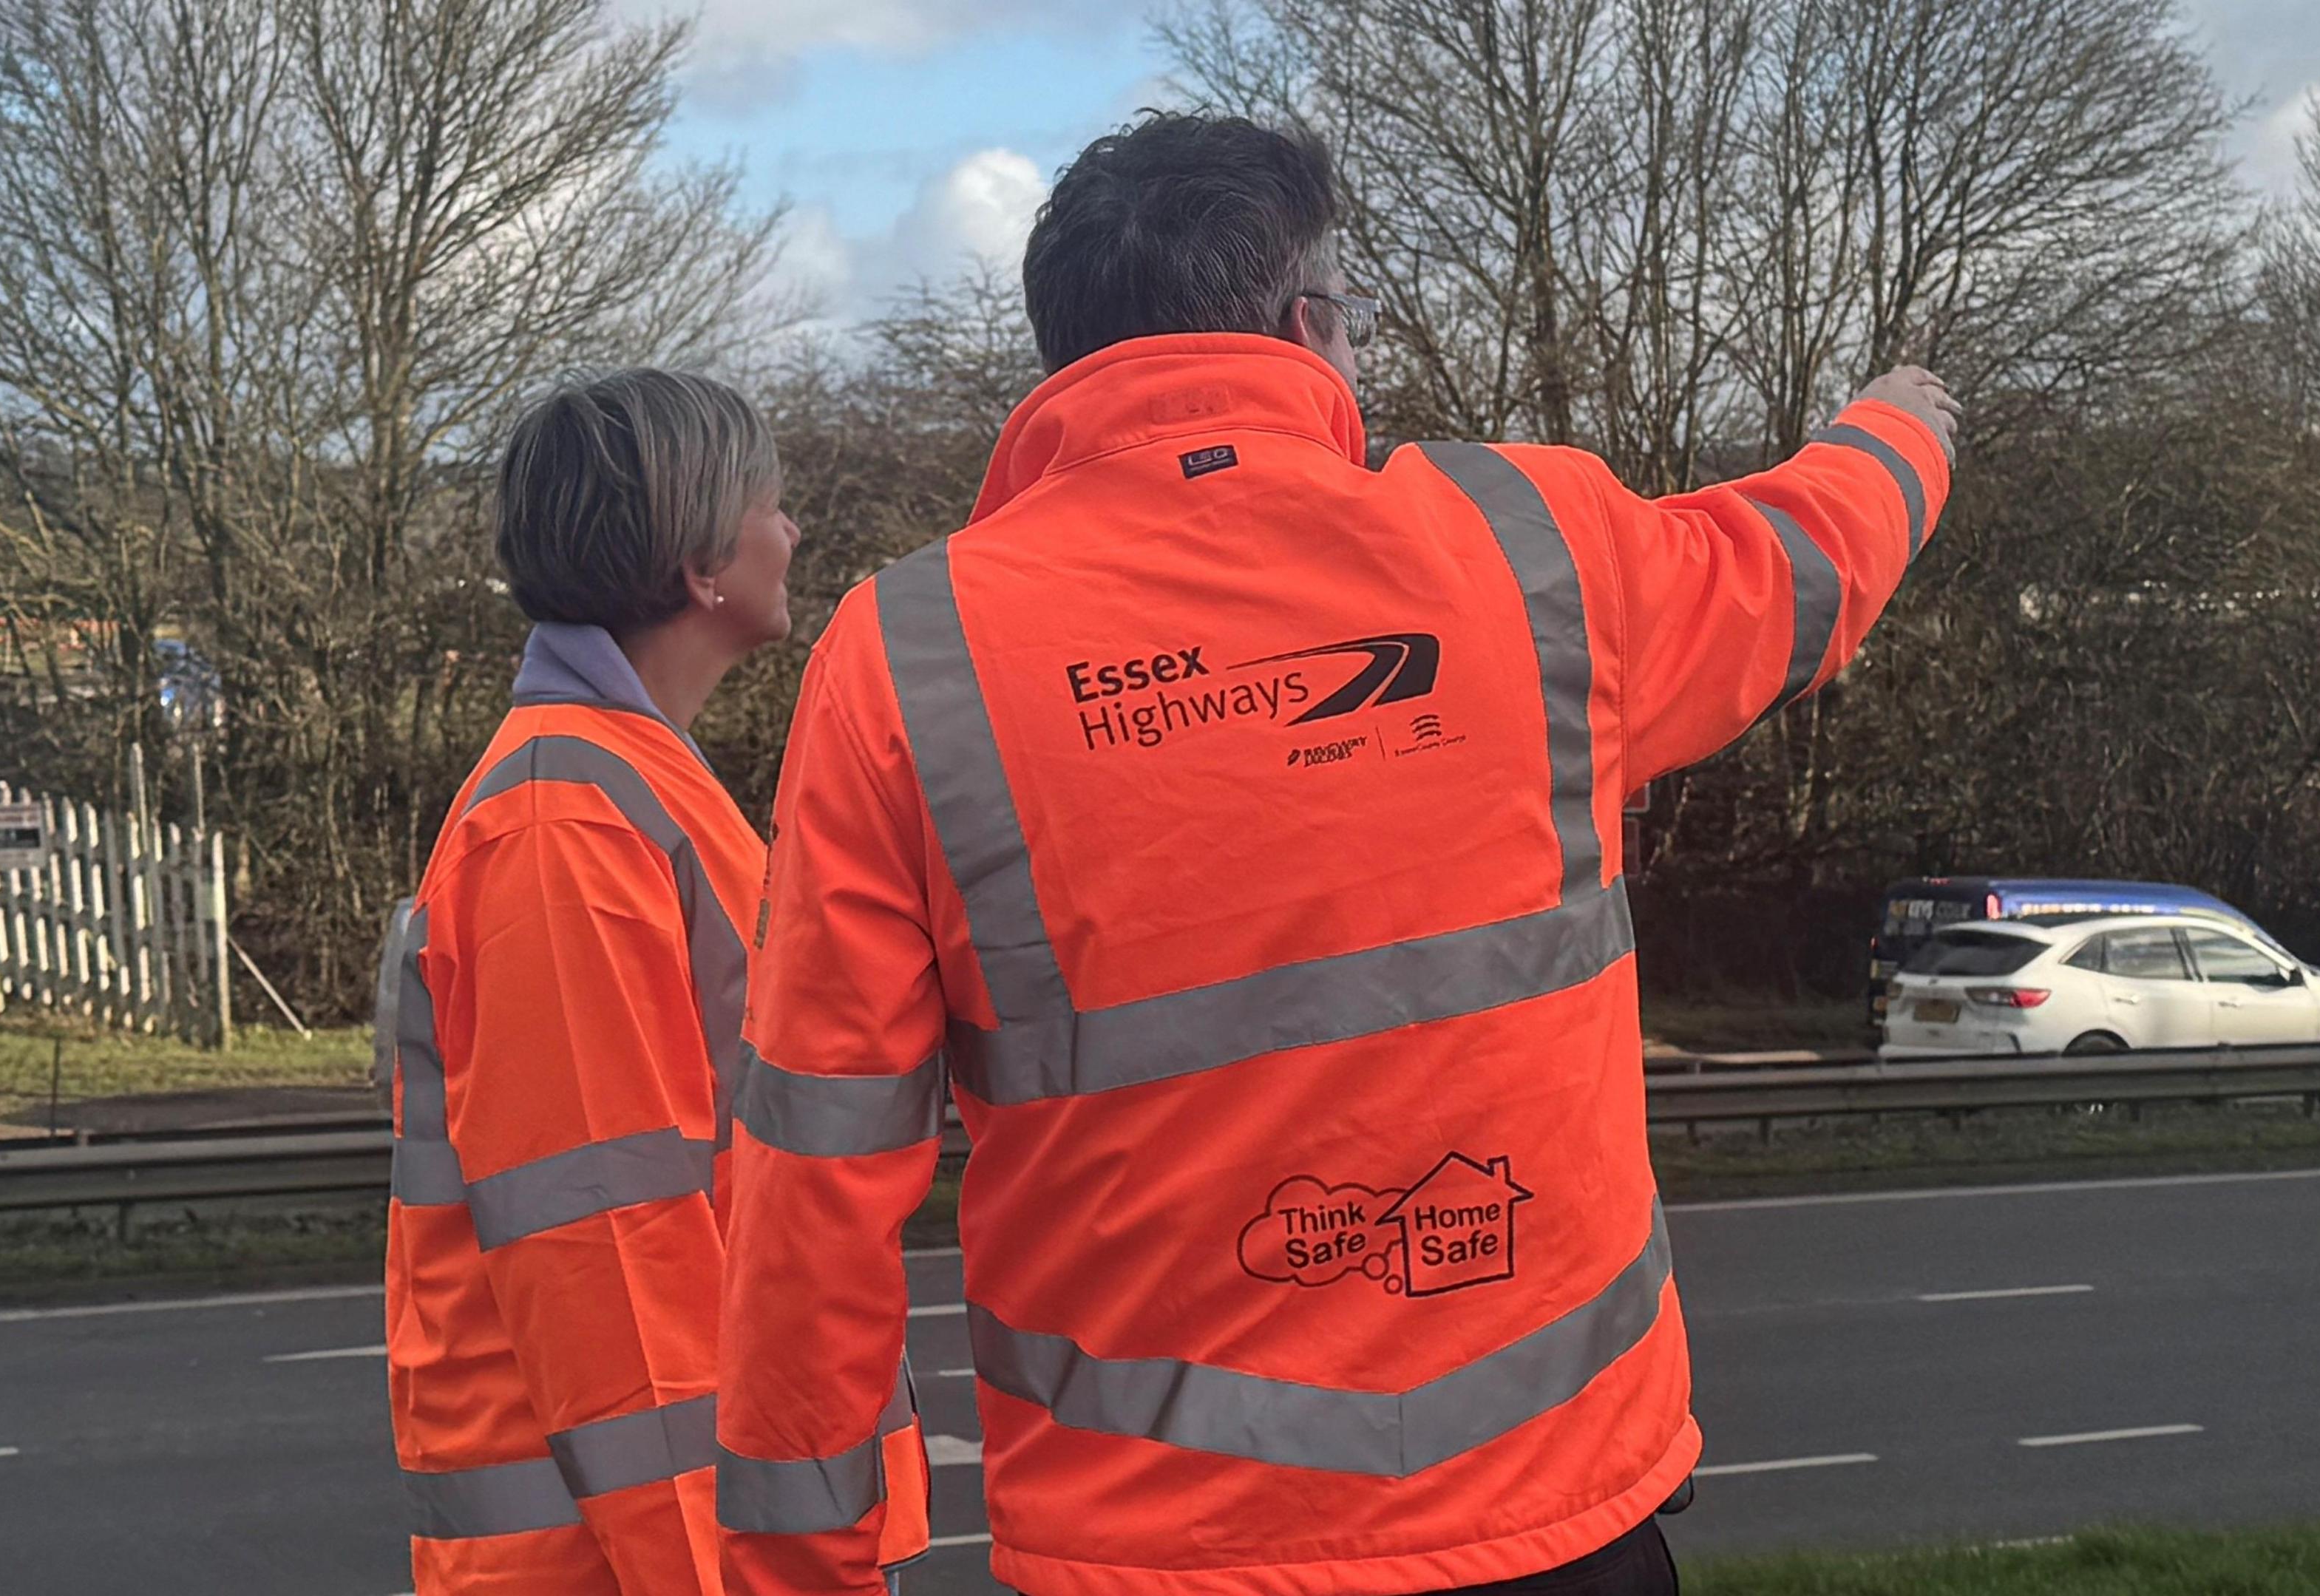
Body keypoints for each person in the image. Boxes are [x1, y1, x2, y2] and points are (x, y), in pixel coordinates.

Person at [717, 113, 1957, 1596]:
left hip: (1154, 1553)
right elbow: (1799, 563)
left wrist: (807, 1569)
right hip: (1553, 1522)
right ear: (1308, 323)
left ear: (1069, 356)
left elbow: (815, 1174)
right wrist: (1904, 424)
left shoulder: (913, 660)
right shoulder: (1529, 551)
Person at [376, 369, 929, 1594]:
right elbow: (611, 1260)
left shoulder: (628, 786)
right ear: (700, 567)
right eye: (773, 506)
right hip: (626, 1565)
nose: (794, 533)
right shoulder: (564, 826)